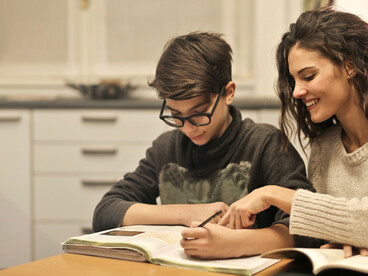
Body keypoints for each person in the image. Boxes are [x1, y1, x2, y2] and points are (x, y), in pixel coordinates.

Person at [92, 32, 318, 258]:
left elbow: (310, 228)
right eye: (176, 114)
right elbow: (106, 211)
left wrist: (236, 243)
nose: (188, 128)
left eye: (199, 114)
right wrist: (187, 213)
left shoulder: (265, 144)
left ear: (228, 93)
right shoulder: (166, 148)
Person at [217, 7, 368, 258]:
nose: (297, 92)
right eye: (294, 80)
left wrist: (271, 193)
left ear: (349, 65)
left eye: (308, 76)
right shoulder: (324, 148)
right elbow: (330, 230)